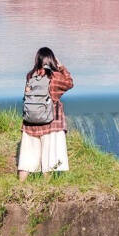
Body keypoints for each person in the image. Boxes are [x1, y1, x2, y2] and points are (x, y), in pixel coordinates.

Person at [17, 46, 74, 179]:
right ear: (52, 60)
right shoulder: (55, 77)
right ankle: (46, 187)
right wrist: (61, 67)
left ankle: (20, 185)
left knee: (26, 159)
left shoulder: (30, 75)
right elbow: (70, 83)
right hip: (51, 124)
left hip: (30, 123)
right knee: (49, 159)